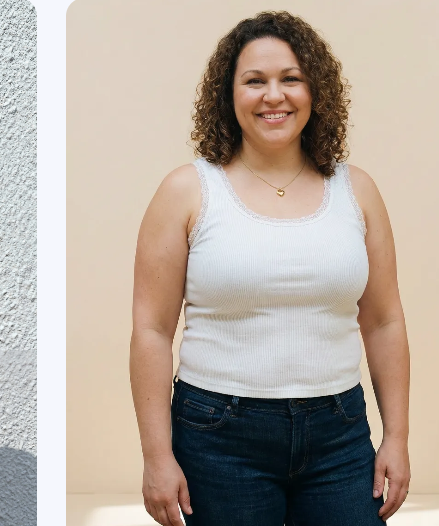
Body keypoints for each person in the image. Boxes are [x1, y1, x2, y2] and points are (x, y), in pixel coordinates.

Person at [130, 11, 409, 526]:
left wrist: (396, 437)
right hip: (216, 435)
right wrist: (157, 455)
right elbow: (151, 330)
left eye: (291, 79)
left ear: (315, 91)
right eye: (254, 81)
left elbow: (385, 321)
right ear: (228, 95)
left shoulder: (358, 191)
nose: (273, 96)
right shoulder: (186, 191)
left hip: (339, 432)